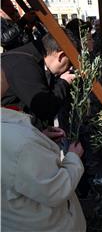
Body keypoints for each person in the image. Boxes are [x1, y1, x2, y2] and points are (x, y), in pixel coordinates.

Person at [1, 68, 86, 231]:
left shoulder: (17, 140)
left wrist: (38, 137)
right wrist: (74, 158)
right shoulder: (19, 143)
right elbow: (56, 190)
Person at [1, 29, 79, 129]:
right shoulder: (25, 65)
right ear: (61, 56)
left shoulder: (32, 57)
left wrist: (40, 131)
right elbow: (45, 109)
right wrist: (63, 83)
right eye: (70, 64)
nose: (69, 68)